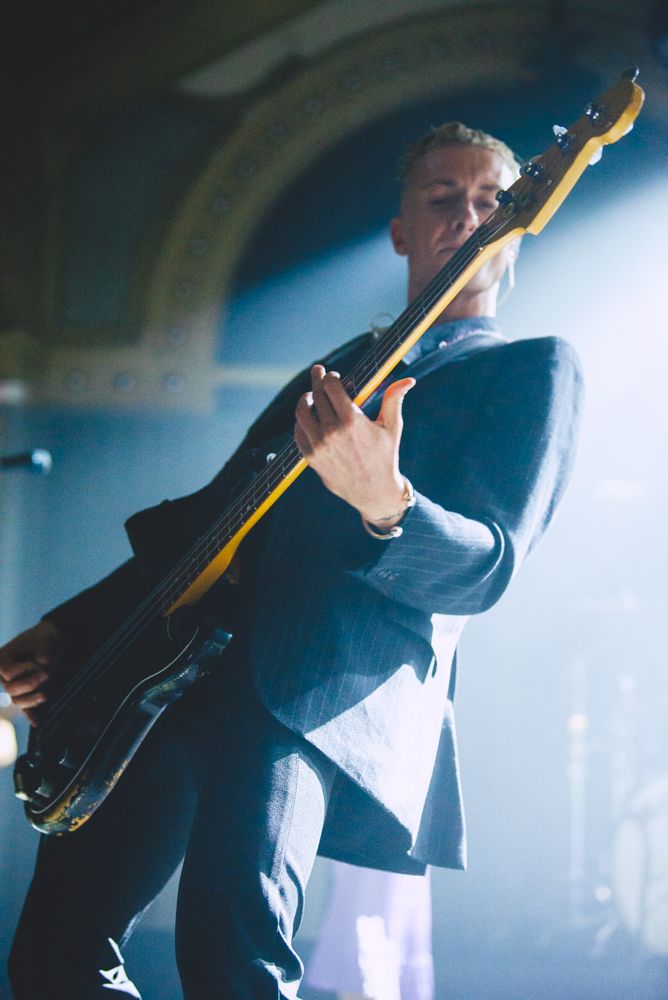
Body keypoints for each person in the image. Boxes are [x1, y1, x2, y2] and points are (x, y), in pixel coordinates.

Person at [1, 122, 583, 999]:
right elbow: (205, 526)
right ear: (399, 231)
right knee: (51, 954)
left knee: (230, 959)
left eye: (489, 199)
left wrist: (388, 503)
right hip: (176, 671)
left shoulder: (534, 369)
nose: (468, 214)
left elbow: (488, 568)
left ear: (523, 221)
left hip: (310, 690)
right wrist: (65, 625)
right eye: (441, 198)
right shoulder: (331, 375)